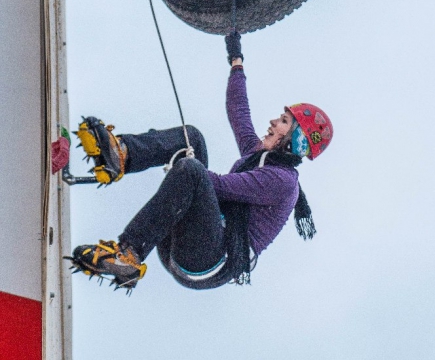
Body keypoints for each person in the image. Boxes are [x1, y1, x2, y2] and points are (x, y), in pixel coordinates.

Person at [67, 32, 333, 293]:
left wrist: (187, 173)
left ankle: (129, 255)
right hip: (190, 239)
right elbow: (238, 112)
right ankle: (121, 155)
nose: (273, 122)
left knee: (193, 170)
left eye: (284, 122)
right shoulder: (257, 155)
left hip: (212, 260)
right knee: (191, 138)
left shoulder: (283, 181)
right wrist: (236, 61)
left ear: (294, 141)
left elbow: (220, 187)